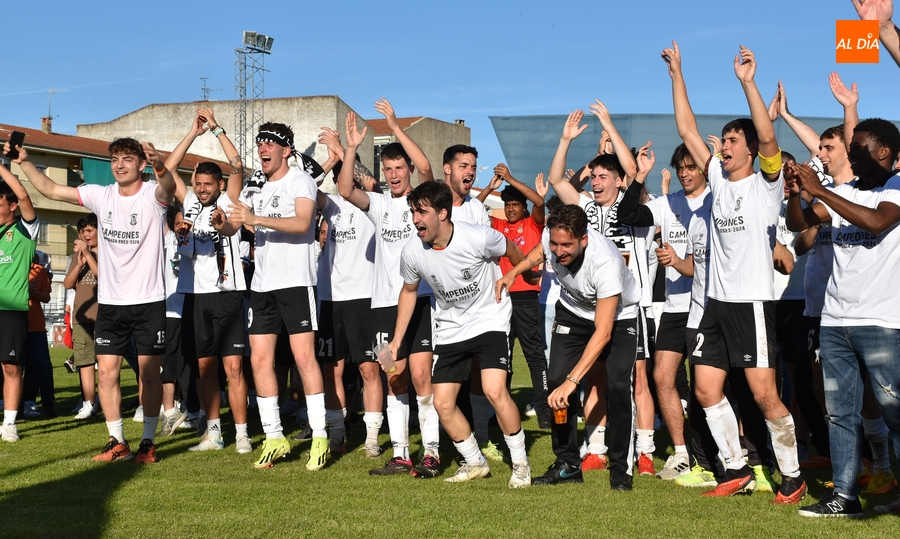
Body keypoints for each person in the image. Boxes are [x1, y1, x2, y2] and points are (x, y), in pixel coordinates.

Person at [663, 40, 806, 503]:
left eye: (731, 141)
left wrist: (748, 83)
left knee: (764, 394)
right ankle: (735, 468)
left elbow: (767, 137)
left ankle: (793, 475)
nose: (723, 147)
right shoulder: (717, 179)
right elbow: (686, 128)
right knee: (706, 391)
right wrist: (677, 74)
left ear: (749, 151)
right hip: (715, 306)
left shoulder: (767, 184)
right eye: (722, 141)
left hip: (752, 304)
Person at [11, 136, 175, 464]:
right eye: (115, 159)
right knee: (107, 374)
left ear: (142, 164)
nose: (119, 165)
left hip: (148, 301)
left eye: (127, 159)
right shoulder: (102, 195)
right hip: (110, 304)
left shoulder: (151, 195)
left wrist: (160, 164)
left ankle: (147, 442)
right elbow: (51, 190)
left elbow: (169, 186)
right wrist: (25, 162)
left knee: (149, 374)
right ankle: (118, 442)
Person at [786, 115, 900, 516]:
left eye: (857, 148)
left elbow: (877, 222)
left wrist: (820, 191)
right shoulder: (844, 191)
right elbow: (799, 223)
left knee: (894, 412)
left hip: (882, 322)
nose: (851, 155)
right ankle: (844, 496)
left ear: (883, 151)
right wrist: (796, 195)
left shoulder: (895, 187)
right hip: (834, 320)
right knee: (840, 414)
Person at [390, 181, 532, 487]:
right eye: (413, 212)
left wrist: (522, 273)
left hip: (490, 319)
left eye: (422, 212)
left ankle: (521, 464)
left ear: (442, 213)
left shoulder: (478, 237)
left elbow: (510, 249)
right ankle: (475, 462)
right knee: (442, 403)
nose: (415, 219)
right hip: (451, 328)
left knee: (495, 390)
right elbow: (409, 291)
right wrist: (397, 340)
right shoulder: (412, 251)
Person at [545, 103, 655, 476]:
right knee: (592, 376)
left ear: (620, 181)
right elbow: (558, 179)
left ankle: (644, 451)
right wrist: (565, 140)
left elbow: (633, 172)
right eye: (593, 175)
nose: (595, 181)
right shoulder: (583, 209)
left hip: (627, 308)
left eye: (603, 176)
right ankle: (595, 447)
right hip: (589, 308)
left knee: (634, 381)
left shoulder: (635, 205)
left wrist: (608, 124)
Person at [499, 204, 640, 489]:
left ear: (583, 240)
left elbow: (603, 332)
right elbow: (541, 251)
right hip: (572, 310)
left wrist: (573, 382)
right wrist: (515, 271)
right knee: (555, 382)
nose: (559, 251)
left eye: (567, 245)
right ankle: (567, 464)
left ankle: (620, 469)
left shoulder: (606, 262)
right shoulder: (552, 238)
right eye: (555, 243)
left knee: (617, 386)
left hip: (617, 317)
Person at [337, 103, 441, 479]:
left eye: (399, 168)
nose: (394, 175)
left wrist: (395, 127)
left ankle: (432, 452)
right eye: (388, 169)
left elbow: (427, 167)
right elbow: (345, 188)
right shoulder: (379, 204)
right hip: (383, 304)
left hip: (421, 300)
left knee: (422, 377)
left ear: (407, 170)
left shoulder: (421, 203)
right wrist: (351, 148)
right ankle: (400, 454)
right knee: (393, 377)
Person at [216, 121, 326, 470]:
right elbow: (235, 224)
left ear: (286, 151)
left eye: (269, 143)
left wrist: (257, 218)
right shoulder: (255, 185)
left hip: (296, 282)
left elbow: (303, 222)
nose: (262, 148)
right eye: (260, 143)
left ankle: (320, 435)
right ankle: (275, 437)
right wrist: (222, 224)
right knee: (260, 361)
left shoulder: (300, 181)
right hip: (262, 286)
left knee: (303, 358)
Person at [616, 141, 711, 480]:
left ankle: (722, 453)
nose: (684, 173)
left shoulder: (716, 201)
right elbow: (627, 215)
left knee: (708, 386)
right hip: (673, 308)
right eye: (680, 168)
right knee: (662, 377)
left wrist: (682, 263)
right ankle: (682, 453)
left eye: (691, 167)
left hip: (710, 307)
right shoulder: (667, 203)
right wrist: (640, 176)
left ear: (704, 169)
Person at [164, 108, 251, 454]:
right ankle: (214, 434)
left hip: (228, 294)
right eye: (198, 184)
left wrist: (216, 130)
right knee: (205, 368)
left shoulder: (229, 201)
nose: (201, 190)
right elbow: (168, 168)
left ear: (219, 186)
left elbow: (237, 165)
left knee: (234, 367)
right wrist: (192, 133)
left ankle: (242, 434)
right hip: (195, 295)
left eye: (207, 185)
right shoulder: (187, 202)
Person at [314, 133, 382, 458]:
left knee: (370, 369)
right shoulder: (330, 204)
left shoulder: (373, 203)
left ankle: (372, 438)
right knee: (333, 371)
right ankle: (338, 434)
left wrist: (346, 151)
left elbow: (369, 182)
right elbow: (303, 188)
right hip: (330, 299)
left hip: (364, 298)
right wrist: (330, 160)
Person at [479, 166, 551, 431]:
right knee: (503, 358)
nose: (510, 209)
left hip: (526, 300)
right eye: (507, 205)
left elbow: (540, 202)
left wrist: (510, 179)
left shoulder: (533, 224)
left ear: (523, 208)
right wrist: (490, 188)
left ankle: (543, 408)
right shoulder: (497, 226)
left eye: (515, 205)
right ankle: (501, 411)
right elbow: (473, 210)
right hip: (500, 300)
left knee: (534, 356)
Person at [0, 166, 39, 442]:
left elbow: (24, 194)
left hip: (12, 311)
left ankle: (10, 423)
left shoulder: (25, 230)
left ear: (12, 206)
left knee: (11, 367)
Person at [65, 214, 100, 420]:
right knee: (84, 361)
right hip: (81, 317)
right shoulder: (77, 256)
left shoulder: (108, 252)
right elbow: (68, 284)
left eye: (89, 231)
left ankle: (106, 398)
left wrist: (89, 255)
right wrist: (79, 263)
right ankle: (88, 403)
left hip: (104, 315)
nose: (85, 235)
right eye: (82, 232)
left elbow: (103, 277)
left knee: (105, 362)